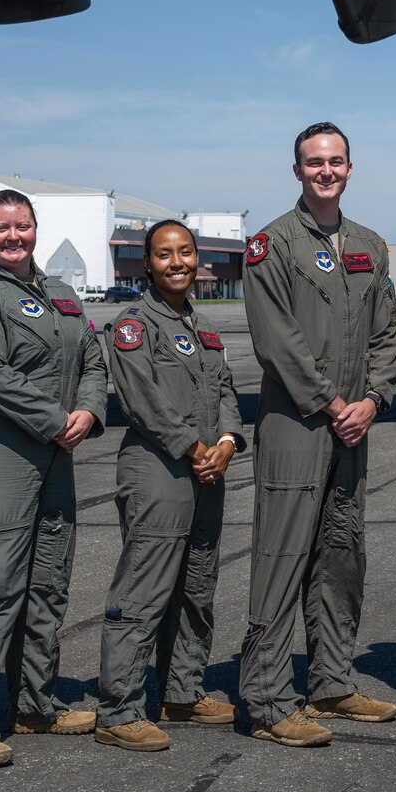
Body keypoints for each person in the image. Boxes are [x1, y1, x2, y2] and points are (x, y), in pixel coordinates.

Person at [239, 123, 396, 747]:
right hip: (297, 423)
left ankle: (331, 681)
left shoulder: (370, 245)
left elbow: (386, 335)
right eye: (314, 162)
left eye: (335, 161)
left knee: (341, 554)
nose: (325, 171)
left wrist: (372, 400)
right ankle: (269, 697)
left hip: (353, 427)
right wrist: (334, 402)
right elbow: (275, 340)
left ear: (350, 169)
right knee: (283, 558)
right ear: (298, 171)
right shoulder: (271, 244)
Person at [0, 190, 106, 768]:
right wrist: (58, 420)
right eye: (1, 228)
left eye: (23, 227)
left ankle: (35, 703)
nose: (14, 237)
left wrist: (89, 410)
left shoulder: (61, 296)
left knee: (46, 586)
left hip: (54, 458)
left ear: (36, 228)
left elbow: (93, 359)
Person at [94, 220, 245, 752]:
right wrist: (193, 447)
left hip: (209, 468)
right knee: (145, 591)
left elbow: (226, 390)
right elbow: (142, 400)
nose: (176, 262)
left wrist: (226, 442)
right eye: (164, 254)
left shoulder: (203, 327)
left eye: (185, 253)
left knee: (197, 586)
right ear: (146, 264)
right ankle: (120, 707)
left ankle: (181, 691)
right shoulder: (134, 324)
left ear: (197, 259)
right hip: (159, 467)